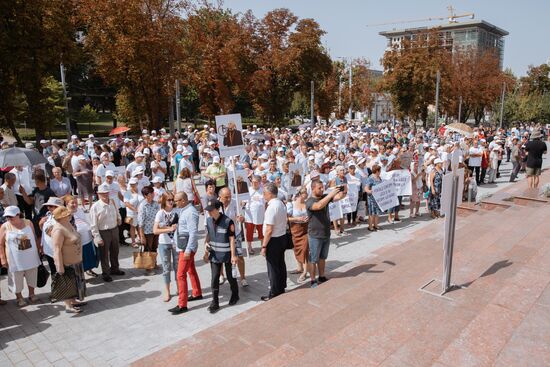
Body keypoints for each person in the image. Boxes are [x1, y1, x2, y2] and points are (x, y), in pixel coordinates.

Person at [0, 206, 41, 307]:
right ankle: (19, 297)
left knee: (32, 275)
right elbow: (0, 244)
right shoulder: (5, 226)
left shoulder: (28, 222)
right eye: (7, 217)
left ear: (18, 215)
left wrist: (39, 250)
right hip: (14, 259)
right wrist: (3, 258)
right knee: (16, 279)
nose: (8, 219)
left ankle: (32, 294)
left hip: (30, 256)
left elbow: (34, 237)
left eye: (11, 216)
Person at [202, 199, 239, 314]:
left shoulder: (228, 222)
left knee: (230, 277)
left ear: (218, 209)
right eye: (208, 210)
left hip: (227, 254)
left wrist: (233, 255)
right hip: (214, 255)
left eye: (211, 210)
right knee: (214, 278)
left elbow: (232, 239)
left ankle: (235, 295)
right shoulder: (208, 221)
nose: (209, 212)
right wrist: (205, 248)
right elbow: (208, 235)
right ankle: (215, 302)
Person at [306, 180, 344, 288]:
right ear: (313, 188)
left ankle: (321, 276)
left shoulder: (325, 197)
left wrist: (343, 188)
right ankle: (313, 280)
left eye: (323, 187)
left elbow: (339, 197)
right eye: (319, 188)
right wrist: (331, 194)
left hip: (326, 233)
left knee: (323, 257)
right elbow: (318, 206)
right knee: (313, 259)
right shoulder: (309, 201)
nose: (322, 189)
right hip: (315, 235)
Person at [169, 192, 202, 315]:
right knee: (191, 270)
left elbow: (193, 233)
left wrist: (188, 250)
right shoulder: (183, 210)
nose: (174, 203)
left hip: (187, 248)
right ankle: (197, 292)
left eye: (176, 200)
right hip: (184, 246)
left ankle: (182, 304)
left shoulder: (191, 212)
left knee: (180, 275)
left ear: (183, 200)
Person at [51, 206, 87, 313]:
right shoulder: (58, 230)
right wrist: (59, 266)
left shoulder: (68, 224)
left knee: (75, 283)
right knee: (68, 284)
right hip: (67, 263)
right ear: (61, 217)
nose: (69, 215)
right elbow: (56, 249)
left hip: (76, 262)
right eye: (67, 215)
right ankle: (68, 306)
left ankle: (73, 301)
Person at [259, 183, 288, 300]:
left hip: (274, 240)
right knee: (281, 264)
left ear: (270, 194)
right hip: (282, 237)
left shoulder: (271, 207)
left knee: (273, 267)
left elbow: (269, 230)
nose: (263, 195)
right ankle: (281, 287)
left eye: (264, 193)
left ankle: (274, 292)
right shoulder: (281, 203)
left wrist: (264, 246)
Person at [90, 183, 124, 282]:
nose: (105, 195)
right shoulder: (95, 207)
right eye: (102, 193)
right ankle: (106, 273)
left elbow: (117, 212)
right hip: (103, 232)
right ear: (98, 194)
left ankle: (115, 268)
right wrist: (97, 237)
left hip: (114, 229)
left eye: (106, 193)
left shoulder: (112, 201)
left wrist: (119, 219)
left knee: (115, 251)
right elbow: (93, 224)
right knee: (104, 254)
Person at [218, 187, 248, 287]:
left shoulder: (235, 202)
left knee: (239, 255)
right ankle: (221, 275)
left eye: (230, 196)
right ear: (220, 197)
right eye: (226, 197)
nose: (229, 199)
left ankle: (243, 277)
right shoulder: (215, 205)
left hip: (235, 233)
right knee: (221, 256)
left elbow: (241, 216)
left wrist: (241, 218)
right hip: (221, 235)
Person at [153, 193, 179, 302]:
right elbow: (155, 231)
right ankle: (167, 291)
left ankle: (179, 288)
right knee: (166, 268)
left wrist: (166, 227)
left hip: (176, 243)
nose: (171, 202)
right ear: (164, 201)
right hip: (164, 243)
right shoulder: (160, 213)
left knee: (178, 268)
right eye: (169, 200)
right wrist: (169, 229)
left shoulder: (177, 212)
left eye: (172, 199)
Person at [65, 195, 98, 277]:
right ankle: (80, 275)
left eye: (76, 203)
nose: (75, 205)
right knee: (80, 258)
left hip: (87, 238)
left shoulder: (79, 210)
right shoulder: (65, 214)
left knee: (88, 256)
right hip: (76, 242)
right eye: (72, 203)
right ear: (67, 204)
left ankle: (89, 270)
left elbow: (86, 221)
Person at [287, 188, 309, 283]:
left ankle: (305, 272)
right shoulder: (291, 204)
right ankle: (299, 268)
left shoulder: (307, 204)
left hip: (306, 229)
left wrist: (309, 218)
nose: (306, 194)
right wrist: (298, 219)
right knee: (297, 249)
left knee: (305, 249)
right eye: (304, 192)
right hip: (295, 229)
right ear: (299, 194)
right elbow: (286, 218)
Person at [137, 186, 160, 274]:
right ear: (145, 195)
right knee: (147, 249)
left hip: (155, 230)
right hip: (147, 231)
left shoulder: (155, 203)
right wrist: (142, 236)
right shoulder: (143, 206)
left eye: (153, 192)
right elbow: (140, 223)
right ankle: (148, 268)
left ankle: (154, 263)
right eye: (151, 193)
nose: (153, 194)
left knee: (155, 247)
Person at [243, 175, 264, 254]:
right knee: (249, 231)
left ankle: (263, 246)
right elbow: (242, 201)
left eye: (256, 182)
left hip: (260, 214)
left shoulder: (263, 190)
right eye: (252, 182)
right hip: (250, 214)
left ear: (259, 182)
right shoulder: (247, 190)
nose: (254, 184)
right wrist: (242, 203)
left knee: (261, 231)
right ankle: (249, 247)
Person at [124, 177, 143, 248]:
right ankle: (133, 242)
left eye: (134, 184)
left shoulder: (140, 191)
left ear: (137, 184)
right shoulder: (127, 193)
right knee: (133, 227)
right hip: (131, 213)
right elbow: (126, 203)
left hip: (140, 212)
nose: (132, 186)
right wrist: (135, 209)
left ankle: (141, 239)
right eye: (131, 184)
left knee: (140, 226)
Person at [365, 164, 384, 230]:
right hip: (371, 198)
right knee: (372, 213)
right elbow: (366, 189)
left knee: (377, 212)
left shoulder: (379, 177)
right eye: (380, 171)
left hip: (378, 198)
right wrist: (372, 191)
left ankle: (376, 225)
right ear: (377, 171)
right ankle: (370, 226)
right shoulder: (370, 178)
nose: (380, 172)